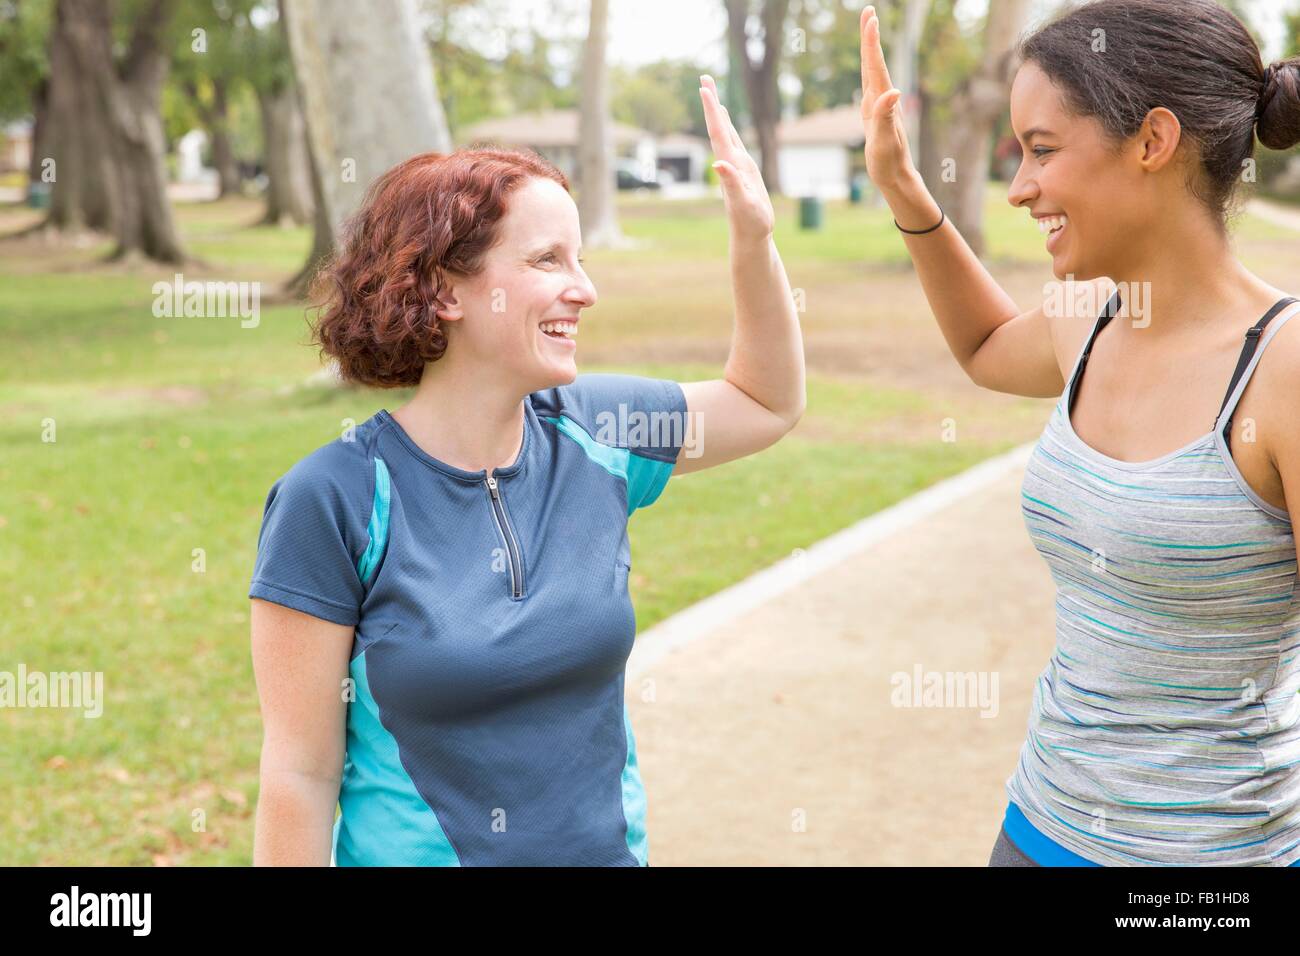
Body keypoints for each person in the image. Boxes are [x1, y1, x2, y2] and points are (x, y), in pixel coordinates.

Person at [247, 76, 805, 866]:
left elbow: (766, 401)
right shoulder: (332, 499)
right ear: (443, 291)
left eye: (578, 258)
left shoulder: (600, 431)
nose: (586, 288)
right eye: (548, 260)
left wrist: (752, 239)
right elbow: (299, 776)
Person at [860, 0, 1300, 865]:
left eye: (1043, 149)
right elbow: (986, 347)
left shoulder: (1282, 370)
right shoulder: (1088, 317)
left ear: (1152, 141)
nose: (1020, 186)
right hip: (1038, 830)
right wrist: (903, 191)